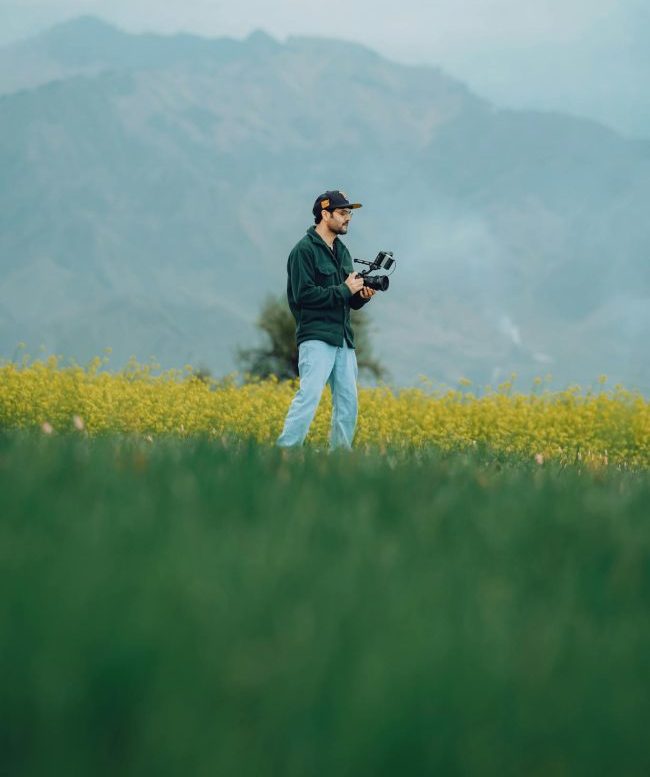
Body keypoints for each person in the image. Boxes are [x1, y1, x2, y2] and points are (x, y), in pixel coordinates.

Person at [276, 190, 376, 450]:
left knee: (348, 401)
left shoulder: (342, 251)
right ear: (325, 214)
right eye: (343, 213)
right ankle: (284, 453)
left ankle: (339, 461)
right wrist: (345, 290)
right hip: (316, 336)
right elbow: (304, 296)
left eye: (349, 213)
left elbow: (348, 299)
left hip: (343, 337)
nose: (348, 218)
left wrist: (361, 296)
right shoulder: (303, 251)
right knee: (308, 396)